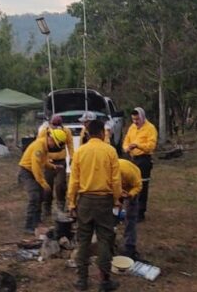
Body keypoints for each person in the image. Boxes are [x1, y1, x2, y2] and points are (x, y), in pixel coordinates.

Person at [68, 119, 122, 291]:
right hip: (104, 201)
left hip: (84, 201)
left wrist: (71, 202)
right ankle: (104, 282)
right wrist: (116, 200)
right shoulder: (110, 151)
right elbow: (115, 180)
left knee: (83, 241)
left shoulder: (80, 152)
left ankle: (82, 281)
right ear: (101, 133)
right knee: (104, 240)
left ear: (89, 133)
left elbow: (74, 181)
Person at [20, 127, 67, 233]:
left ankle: (37, 221)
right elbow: (35, 166)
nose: (55, 147)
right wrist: (43, 183)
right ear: (51, 139)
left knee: (40, 197)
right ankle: (29, 225)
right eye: (55, 145)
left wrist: (53, 167)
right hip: (27, 172)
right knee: (34, 197)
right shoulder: (39, 146)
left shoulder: (44, 146)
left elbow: (44, 161)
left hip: (34, 172)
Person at [123, 107, 158, 222]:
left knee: (142, 186)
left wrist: (138, 145)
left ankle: (141, 211)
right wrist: (127, 148)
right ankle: (131, 208)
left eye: (137, 119)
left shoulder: (150, 128)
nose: (135, 122)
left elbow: (151, 146)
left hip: (144, 159)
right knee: (130, 184)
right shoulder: (132, 128)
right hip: (132, 159)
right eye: (133, 119)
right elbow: (126, 142)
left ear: (142, 117)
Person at [36, 115, 74, 217]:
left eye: (58, 124)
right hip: (48, 162)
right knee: (47, 185)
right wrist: (43, 159)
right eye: (54, 124)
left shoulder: (66, 131)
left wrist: (72, 157)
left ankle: (60, 206)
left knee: (60, 185)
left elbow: (70, 144)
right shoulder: (44, 131)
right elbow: (39, 145)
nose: (56, 126)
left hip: (61, 161)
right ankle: (46, 207)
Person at [118, 158, 143, 260]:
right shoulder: (106, 171)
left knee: (131, 216)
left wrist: (130, 194)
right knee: (111, 214)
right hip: (115, 189)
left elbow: (138, 186)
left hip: (131, 188)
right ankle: (108, 242)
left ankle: (130, 246)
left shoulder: (129, 172)